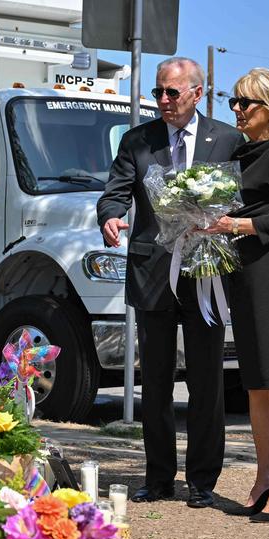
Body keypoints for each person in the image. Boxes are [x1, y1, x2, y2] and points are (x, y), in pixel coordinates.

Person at [96, 56, 244, 509]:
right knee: (156, 382)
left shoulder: (229, 140)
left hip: (206, 275)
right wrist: (112, 217)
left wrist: (226, 223)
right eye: (158, 92)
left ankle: (202, 480)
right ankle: (158, 478)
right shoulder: (138, 140)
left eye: (171, 92)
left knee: (205, 382)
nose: (162, 100)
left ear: (197, 93)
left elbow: (244, 198)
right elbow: (115, 190)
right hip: (153, 271)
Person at [204, 68, 269, 522]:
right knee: (255, 383)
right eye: (234, 102)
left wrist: (236, 225)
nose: (238, 110)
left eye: (247, 103)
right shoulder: (244, 153)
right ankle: (265, 476)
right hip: (244, 272)